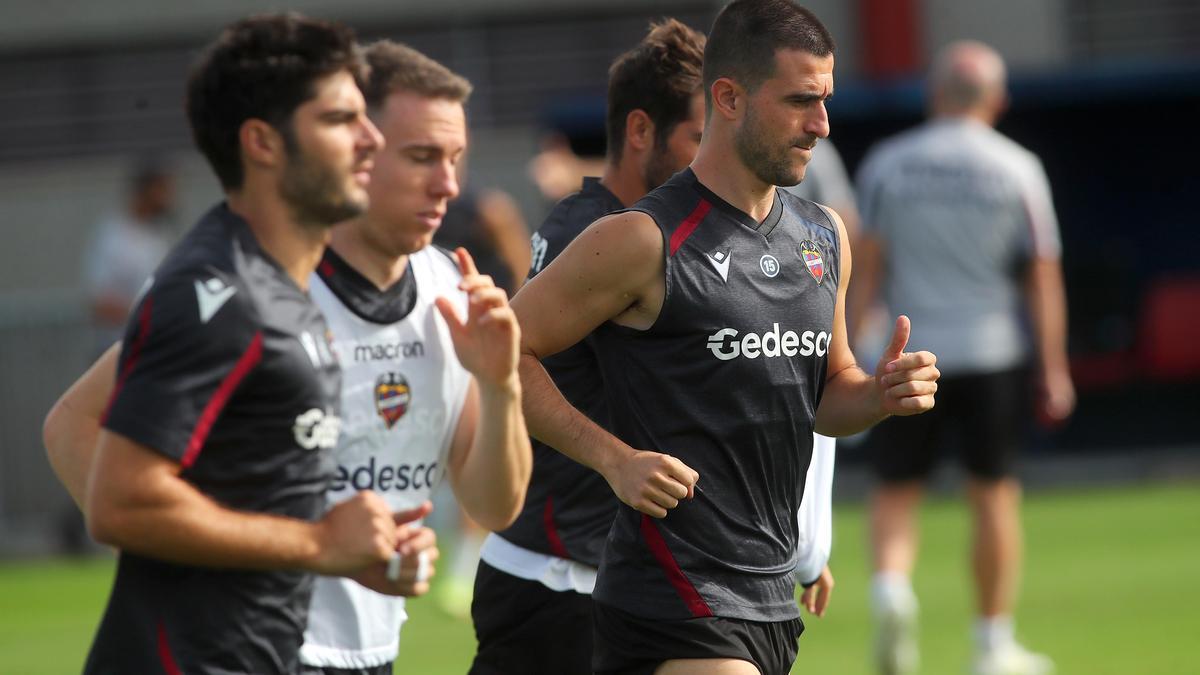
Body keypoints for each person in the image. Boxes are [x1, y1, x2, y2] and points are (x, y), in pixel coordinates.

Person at [43, 39, 533, 675]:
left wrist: (499, 384)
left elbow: (495, 506)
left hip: (369, 652)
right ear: (357, 150)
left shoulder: (449, 289)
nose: (448, 185)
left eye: (455, 159)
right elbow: (73, 428)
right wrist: (200, 563)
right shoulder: (242, 287)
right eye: (420, 157)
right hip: (235, 648)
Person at [509, 1, 940, 673]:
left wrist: (878, 394)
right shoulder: (640, 239)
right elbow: (504, 352)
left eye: (824, 101)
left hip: (771, 595)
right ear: (729, 98)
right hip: (670, 596)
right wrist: (614, 460)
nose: (821, 125)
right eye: (799, 101)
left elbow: (828, 397)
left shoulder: (824, 235)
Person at [469, 19, 709, 675]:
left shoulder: (640, 228)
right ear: (641, 132)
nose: (715, 160)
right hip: (559, 580)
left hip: (619, 576)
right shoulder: (596, 235)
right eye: (700, 139)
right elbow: (508, 363)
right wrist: (617, 460)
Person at [852, 40, 1074, 675]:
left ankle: (891, 589)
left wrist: (851, 353)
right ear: (997, 100)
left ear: (934, 94)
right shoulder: (1018, 168)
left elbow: (866, 267)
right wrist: (1054, 367)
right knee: (994, 496)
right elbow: (1041, 275)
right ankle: (992, 644)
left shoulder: (888, 164)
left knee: (895, 490)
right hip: (991, 352)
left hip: (907, 354)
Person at [82, 159, 176, 354]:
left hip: (151, 350)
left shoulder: (158, 236)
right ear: (146, 190)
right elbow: (99, 303)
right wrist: (148, 316)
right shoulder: (113, 236)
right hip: (116, 351)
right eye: (163, 189)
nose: (169, 198)